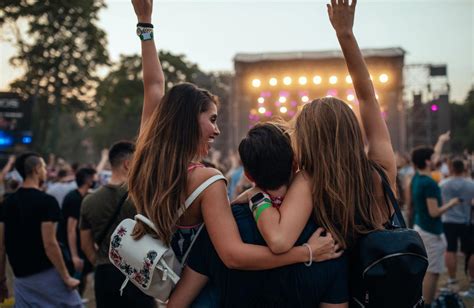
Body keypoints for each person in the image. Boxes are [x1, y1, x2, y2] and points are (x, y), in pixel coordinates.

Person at [128, 0, 338, 296]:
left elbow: (153, 86)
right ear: (189, 120)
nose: (217, 129)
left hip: (157, 283)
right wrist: (307, 252)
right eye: (211, 119)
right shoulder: (207, 181)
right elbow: (233, 256)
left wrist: (145, 23)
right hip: (199, 293)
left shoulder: (146, 160)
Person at [168, 122, 348, 307]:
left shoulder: (220, 233)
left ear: (248, 175)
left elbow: (177, 303)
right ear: (295, 165)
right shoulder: (325, 242)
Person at [80, 141, 156, 308]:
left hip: (104, 275)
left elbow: (85, 243)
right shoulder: (143, 197)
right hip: (138, 272)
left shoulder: (89, 201)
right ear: (128, 164)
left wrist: (100, 261)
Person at [0, 152, 81, 306]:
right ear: (37, 169)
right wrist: (66, 277)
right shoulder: (46, 201)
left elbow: (1, 247)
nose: (45, 171)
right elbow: (49, 244)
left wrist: (1, 279)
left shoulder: (7, 203)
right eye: (44, 167)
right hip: (47, 275)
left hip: (21, 279)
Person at [410, 147, 461, 306]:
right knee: (432, 272)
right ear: (427, 161)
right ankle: (427, 303)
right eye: (432, 158)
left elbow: (434, 154)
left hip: (422, 227)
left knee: (428, 270)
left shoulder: (416, 178)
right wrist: (452, 203)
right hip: (431, 231)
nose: (436, 160)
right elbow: (434, 212)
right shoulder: (429, 183)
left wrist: (441, 142)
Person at [56, 167, 96, 295]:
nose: (95, 180)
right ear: (88, 180)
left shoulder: (81, 195)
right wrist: (74, 256)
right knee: (75, 275)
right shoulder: (74, 199)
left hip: (77, 243)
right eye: (93, 177)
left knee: (82, 275)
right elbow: (71, 229)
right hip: (69, 245)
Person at [440, 159, 474, 292]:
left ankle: (452, 280)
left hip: (449, 220)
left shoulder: (443, 184)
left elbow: (441, 202)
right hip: (468, 221)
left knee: (450, 250)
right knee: (471, 252)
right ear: (464, 169)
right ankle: (472, 281)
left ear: (451, 169)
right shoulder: (471, 184)